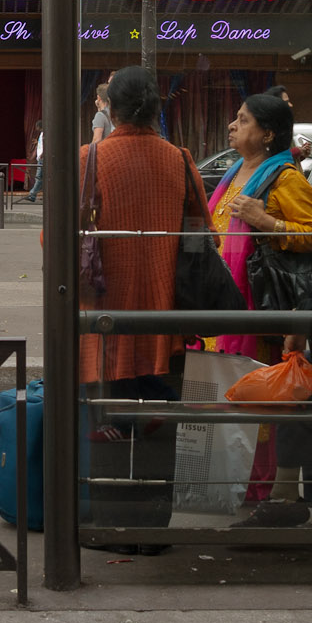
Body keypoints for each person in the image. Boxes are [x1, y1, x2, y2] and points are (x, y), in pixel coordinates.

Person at [77, 65, 205, 555]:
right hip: (164, 328)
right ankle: (152, 529)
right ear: (157, 108)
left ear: (110, 107)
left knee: (105, 434)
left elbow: (57, 242)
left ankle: (111, 527)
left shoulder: (89, 160)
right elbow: (202, 237)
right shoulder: (180, 159)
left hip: (102, 329)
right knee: (156, 432)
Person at [203, 94, 312, 527]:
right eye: (235, 118)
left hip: (259, 311)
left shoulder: (286, 179)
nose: (232, 126)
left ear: (268, 134)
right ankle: (230, 480)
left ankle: (259, 486)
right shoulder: (238, 170)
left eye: (243, 120)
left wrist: (268, 221)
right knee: (229, 392)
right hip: (224, 306)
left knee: (254, 396)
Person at [23, 120, 45, 202]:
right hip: (40, 159)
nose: (36, 128)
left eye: (37, 126)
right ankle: (46, 195)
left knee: (39, 177)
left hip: (42, 159)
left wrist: (43, 154)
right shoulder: (42, 134)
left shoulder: (44, 134)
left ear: (39, 126)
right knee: (43, 178)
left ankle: (32, 195)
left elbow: (45, 145)